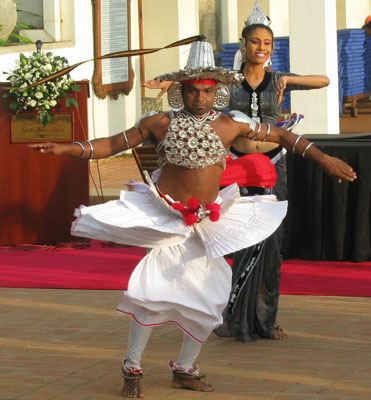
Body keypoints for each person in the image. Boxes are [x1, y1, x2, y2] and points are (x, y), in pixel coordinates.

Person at [29, 38, 356, 398]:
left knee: (210, 297)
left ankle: (185, 368)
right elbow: (112, 144)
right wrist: (69, 148)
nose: (199, 98)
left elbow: (279, 134)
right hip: (167, 220)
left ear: (216, 92)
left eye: (205, 91)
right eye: (192, 91)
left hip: (208, 223)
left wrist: (323, 159)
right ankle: (132, 365)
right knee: (151, 292)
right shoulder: (159, 123)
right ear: (180, 92)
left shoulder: (230, 124)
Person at [143, 2, 330, 342]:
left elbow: (325, 80)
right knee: (242, 240)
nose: (262, 48)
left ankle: (265, 321)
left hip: (275, 166)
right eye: (255, 42)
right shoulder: (229, 82)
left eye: (268, 44)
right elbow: (195, 90)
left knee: (272, 244)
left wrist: (288, 79)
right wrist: (166, 85)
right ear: (244, 46)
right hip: (239, 168)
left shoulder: (277, 80)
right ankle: (235, 318)